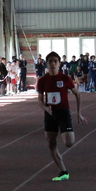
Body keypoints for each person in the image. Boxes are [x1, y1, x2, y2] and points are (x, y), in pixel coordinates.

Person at [36, 52, 87, 181]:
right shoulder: (42, 80)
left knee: (69, 143)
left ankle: (62, 167)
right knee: (51, 143)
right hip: (50, 114)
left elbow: (77, 94)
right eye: (50, 61)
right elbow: (40, 101)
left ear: (59, 63)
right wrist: (46, 108)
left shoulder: (65, 78)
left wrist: (79, 113)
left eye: (55, 61)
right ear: (47, 64)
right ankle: (63, 171)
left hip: (64, 113)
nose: (52, 64)